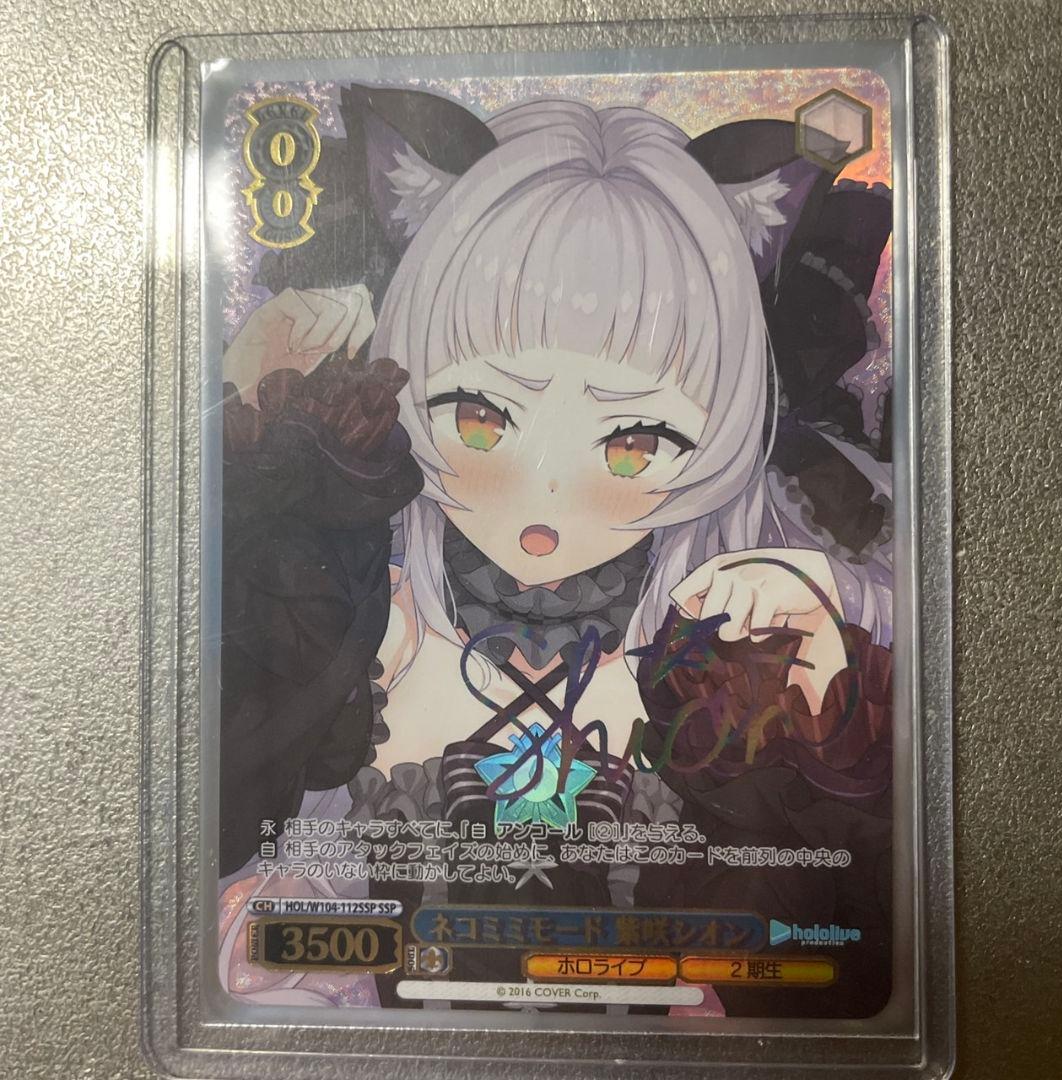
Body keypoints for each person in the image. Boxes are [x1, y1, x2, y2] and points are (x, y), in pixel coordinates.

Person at [218, 88, 894, 1018]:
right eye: (482, 417)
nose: (543, 506)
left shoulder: (760, 589)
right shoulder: (354, 591)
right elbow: (260, 875)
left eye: (634, 441)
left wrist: (838, 639)